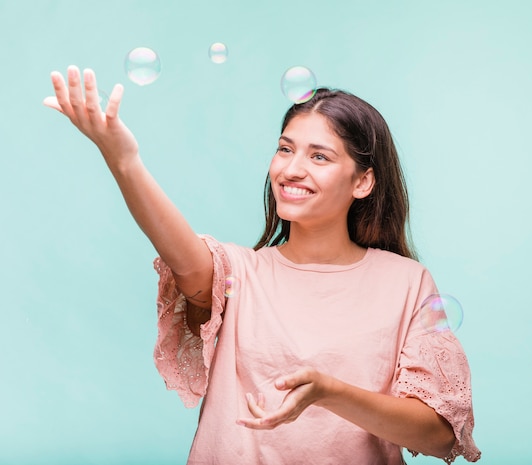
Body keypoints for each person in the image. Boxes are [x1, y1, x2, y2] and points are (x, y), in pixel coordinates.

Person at [44, 65, 481, 465]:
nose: (291, 169)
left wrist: (331, 393)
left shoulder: (405, 282)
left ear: (363, 181)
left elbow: (438, 436)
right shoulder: (236, 272)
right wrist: (123, 160)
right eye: (284, 149)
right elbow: (176, 245)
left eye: (319, 156)